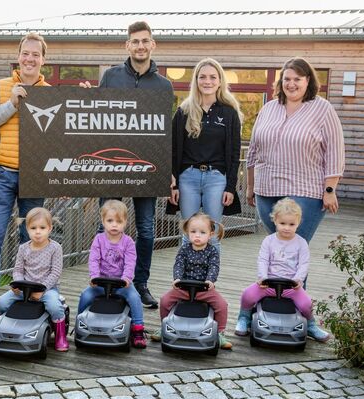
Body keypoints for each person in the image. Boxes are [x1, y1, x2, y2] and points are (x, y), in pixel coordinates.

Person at [81, 21, 174, 308]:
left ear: (153, 44)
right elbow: (97, 118)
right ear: (127, 45)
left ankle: (141, 284)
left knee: (146, 230)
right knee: (105, 226)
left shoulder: (164, 86)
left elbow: (164, 131)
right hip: (111, 165)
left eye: (145, 41)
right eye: (135, 41)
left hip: (146, 167)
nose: (141, 46)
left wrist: (168, 170)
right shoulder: (110, 77)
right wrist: (86, 99)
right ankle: (99, 281)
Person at [0, 33, 50, 312]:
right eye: (26, 53)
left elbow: (60, 136)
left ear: (43, 60)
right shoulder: (1, 86)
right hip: (2, 173)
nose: (30, 58)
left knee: (30, 237)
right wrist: (12, 104)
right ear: (18, 56)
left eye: (36, 54)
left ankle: (23, 289)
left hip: (34, 175)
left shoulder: (50, 92)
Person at [246, 57, 345, 245]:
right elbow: (253, 151)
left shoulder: (322, 109)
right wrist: (251, 187)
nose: (291, 84)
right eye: (287, 79)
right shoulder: (268, 109)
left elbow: (335, 152)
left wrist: (330, 190)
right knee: (277, 248)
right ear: (281, 82)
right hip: (266, 190)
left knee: (294, 249)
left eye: (297, 79)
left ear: (308, 80)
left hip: (305, 192)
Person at [169, 58, 242, 252]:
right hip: (188, 178)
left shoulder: (229, 113)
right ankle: (184, 282)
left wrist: (231, 187)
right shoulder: (183, 111)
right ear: (196, 80)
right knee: (188, 233)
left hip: (216, 179)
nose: (207, 81)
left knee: (213, 234)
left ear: (220, 81)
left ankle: (209, 281)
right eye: (202, 77)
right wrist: (173, 183)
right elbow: (173, 150)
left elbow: (235, 154)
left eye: (212, 77)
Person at [234, 198, 330, 342]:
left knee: (306, 303)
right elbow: (263, 260)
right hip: (269, 283)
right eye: (283, 223)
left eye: (291, 224)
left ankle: (311, 325)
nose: (287, 227)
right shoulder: (269, 241)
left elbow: (303, 264)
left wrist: (298, 280)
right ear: (275, 221)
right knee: (248, 294)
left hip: (291, 285)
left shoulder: (301, 243)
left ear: (298, 223)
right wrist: (263, 277)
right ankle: (244, 319)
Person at [151, 212, 232, 350]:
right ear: (187, 233)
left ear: (210, 234)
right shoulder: (184, 249)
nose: (197, 235)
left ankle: (219, 333)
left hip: (204, 289)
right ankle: (163, 326)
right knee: (165, 300)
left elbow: (214, 267)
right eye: (193, 232)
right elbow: (179, 264)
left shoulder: (212, 251)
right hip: (184, 288)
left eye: (202, 232)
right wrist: (177, 279)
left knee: (222, 305)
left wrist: (210, 280)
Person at [0, 207, 68, 351]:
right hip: (24, 288)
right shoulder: (23, 248)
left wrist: (42, 290)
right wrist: (17, 284)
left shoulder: (55, 248)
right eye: (33, 228)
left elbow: (55, 272)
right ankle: (1, 327)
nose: (38, 231)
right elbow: (18, 270)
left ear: (50, 228)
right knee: (2, 302)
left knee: (54, 306)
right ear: (27, 229)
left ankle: (60, 336)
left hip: (47, 289)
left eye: (42, 227)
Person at [77, 200, 147, 348]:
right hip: (101, 282)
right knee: (85, 296)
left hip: (121, 284)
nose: (114, 224)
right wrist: (94, 276)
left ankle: (138, 329)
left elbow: (130, 262)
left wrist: (127, 278)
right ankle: (81, 323)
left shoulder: (128, 242)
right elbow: (94, 259)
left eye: (118, 221)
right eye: (110, 221)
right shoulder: (98, 239)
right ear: (103, 221)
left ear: (125, 222)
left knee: (135, 297)